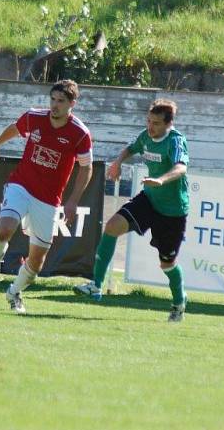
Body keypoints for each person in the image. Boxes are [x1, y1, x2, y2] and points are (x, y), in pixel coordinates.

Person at [74, 99, 190, 323]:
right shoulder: (146, 136)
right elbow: (132, 147)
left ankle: (179, 302)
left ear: (169, 124)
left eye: (156, 123)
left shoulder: (176, 141)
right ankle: (96, 286)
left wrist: (161, 179)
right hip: (149, 200)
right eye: (148, 121)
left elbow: (181, 168)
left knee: (167, 263)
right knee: (111, 227)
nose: (150, 126)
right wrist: (118, 162)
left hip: (172, 211)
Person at [0, 79, 93, 314]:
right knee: (4, 230)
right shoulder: (34, 117)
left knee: (36, 263)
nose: (55, 105)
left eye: (61, 101)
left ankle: (14, 293)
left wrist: (73, 200)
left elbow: (86, 168)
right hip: (21, 184)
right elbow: (15, 128)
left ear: (72, 103)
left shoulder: (80, 134)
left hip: (48, 199)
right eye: (52, 99)